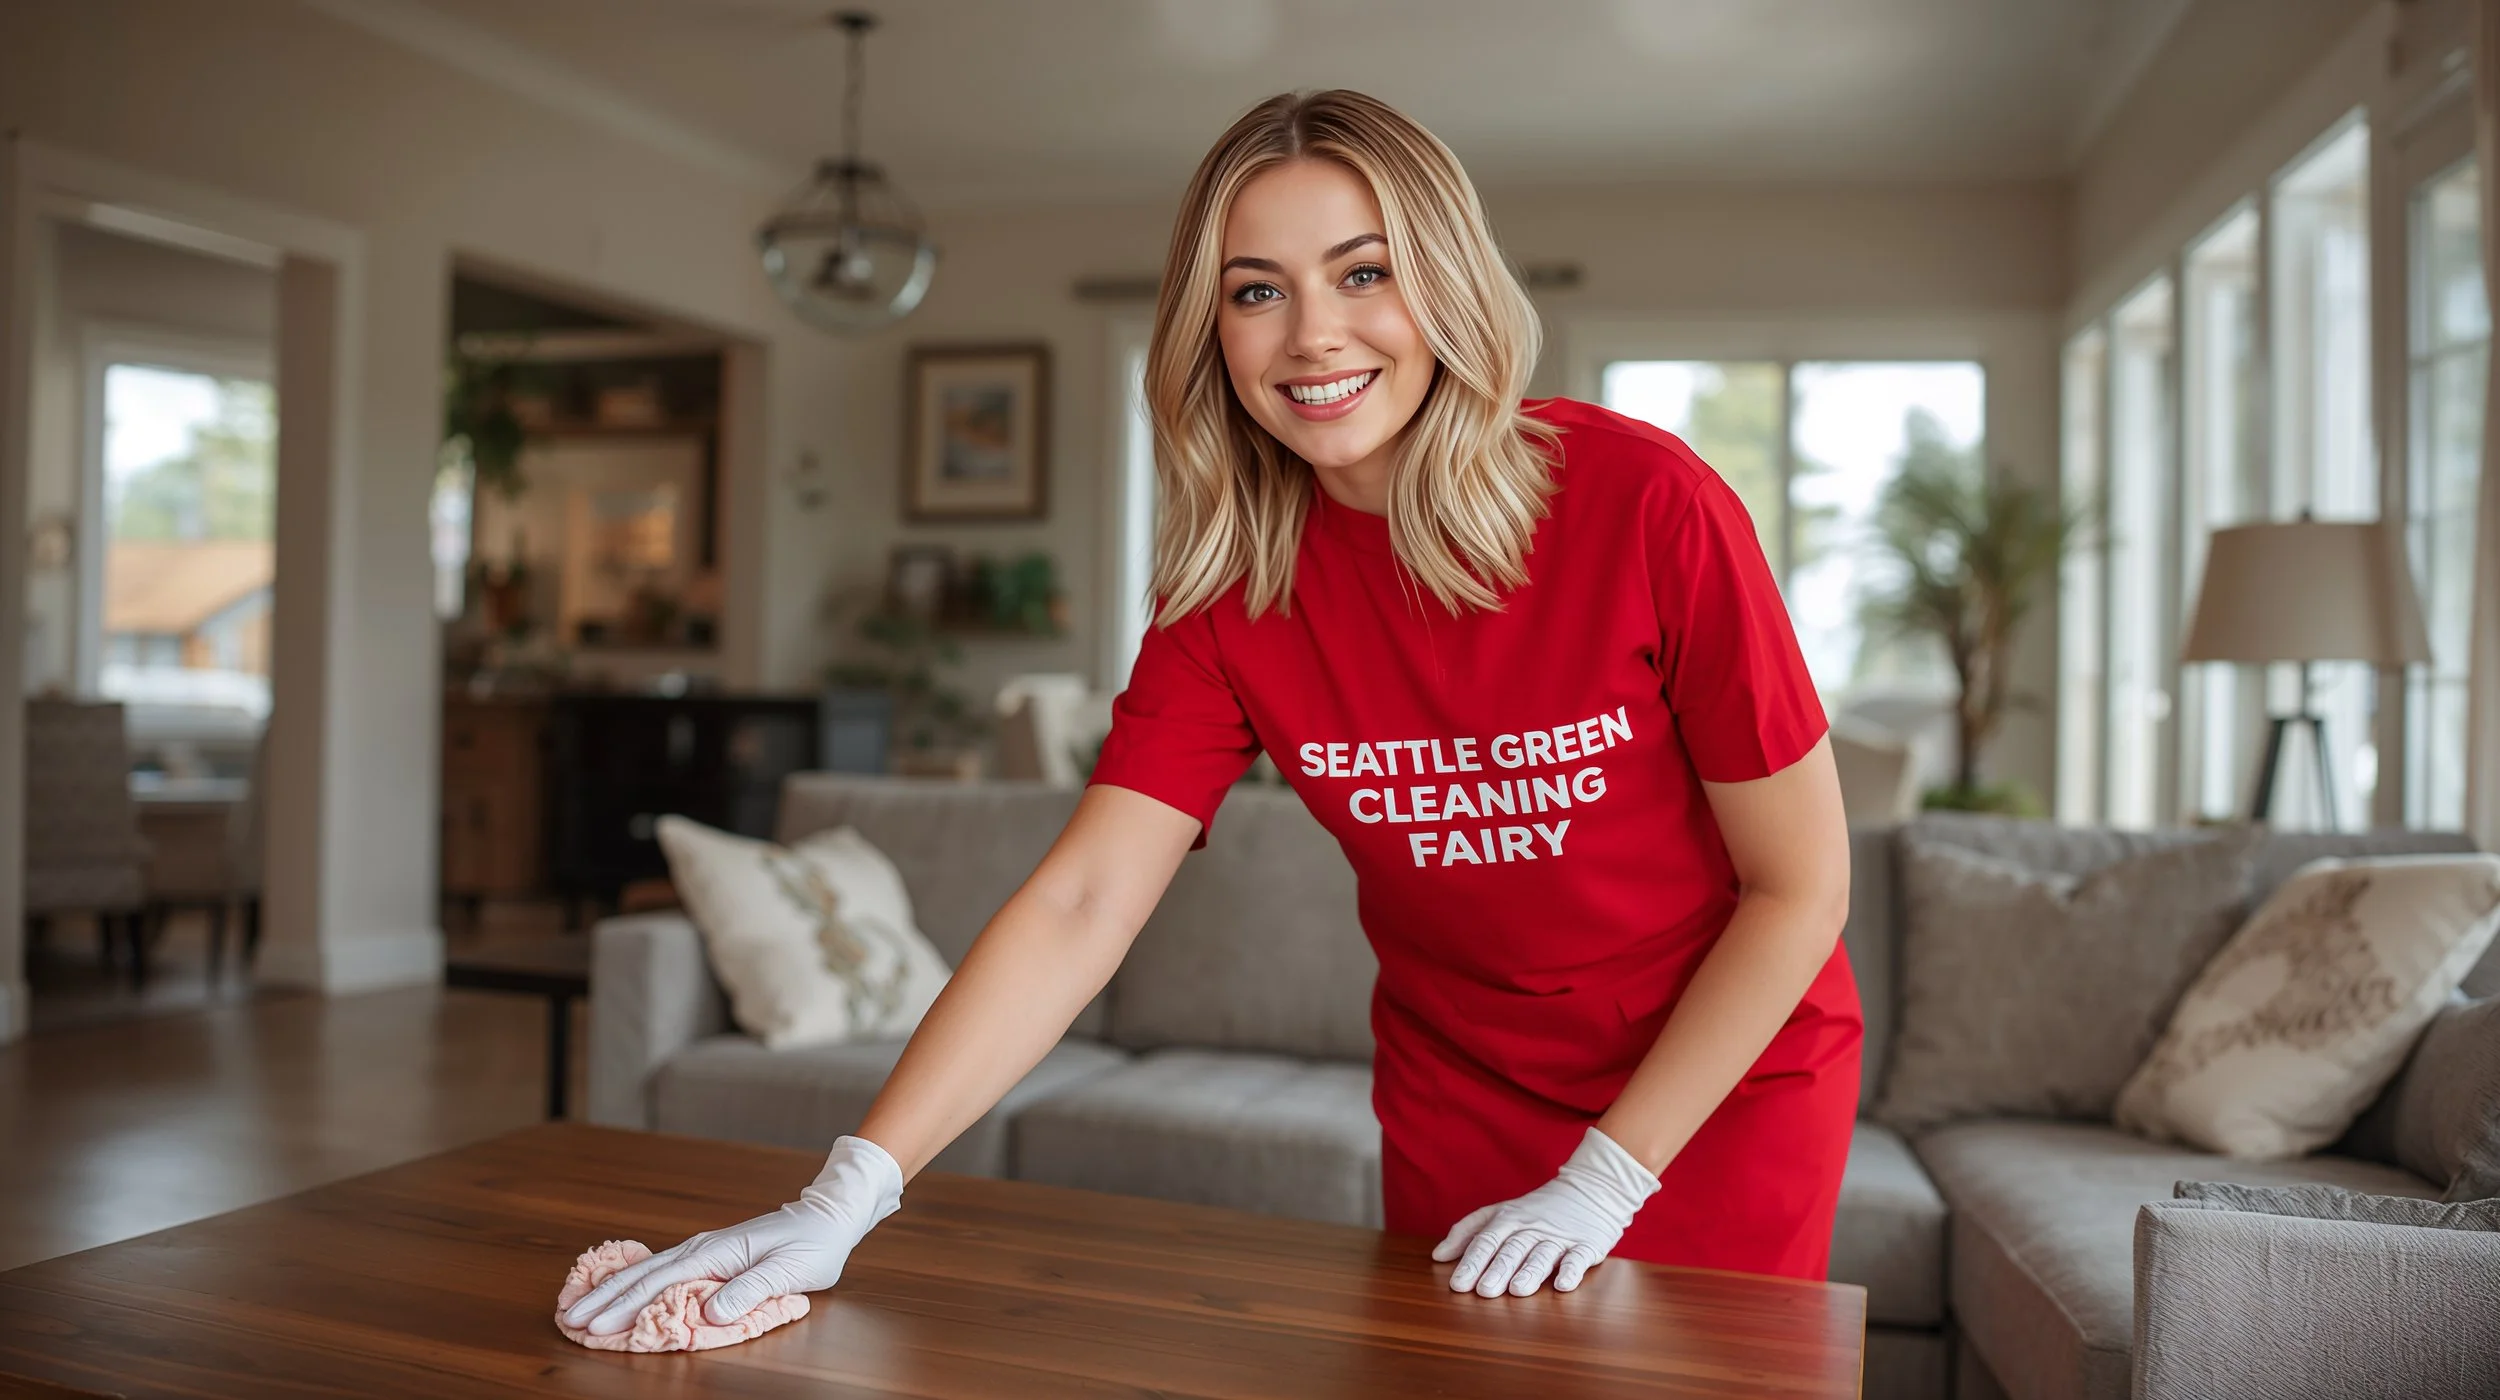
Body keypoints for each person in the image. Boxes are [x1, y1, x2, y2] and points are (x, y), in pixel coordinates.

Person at [563, 88, 1859, 1336]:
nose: (1312, 336)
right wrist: (843, 1196)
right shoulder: (1232, 600)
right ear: (1209, 329)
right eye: (1257, 291)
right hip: (1464, 1095)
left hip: (1722, 1092)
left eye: (1364, 273)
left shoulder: (1646, 507)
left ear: (1448, 284)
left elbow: (1798, 887)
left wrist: (1612, 1175)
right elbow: (1083, 904)